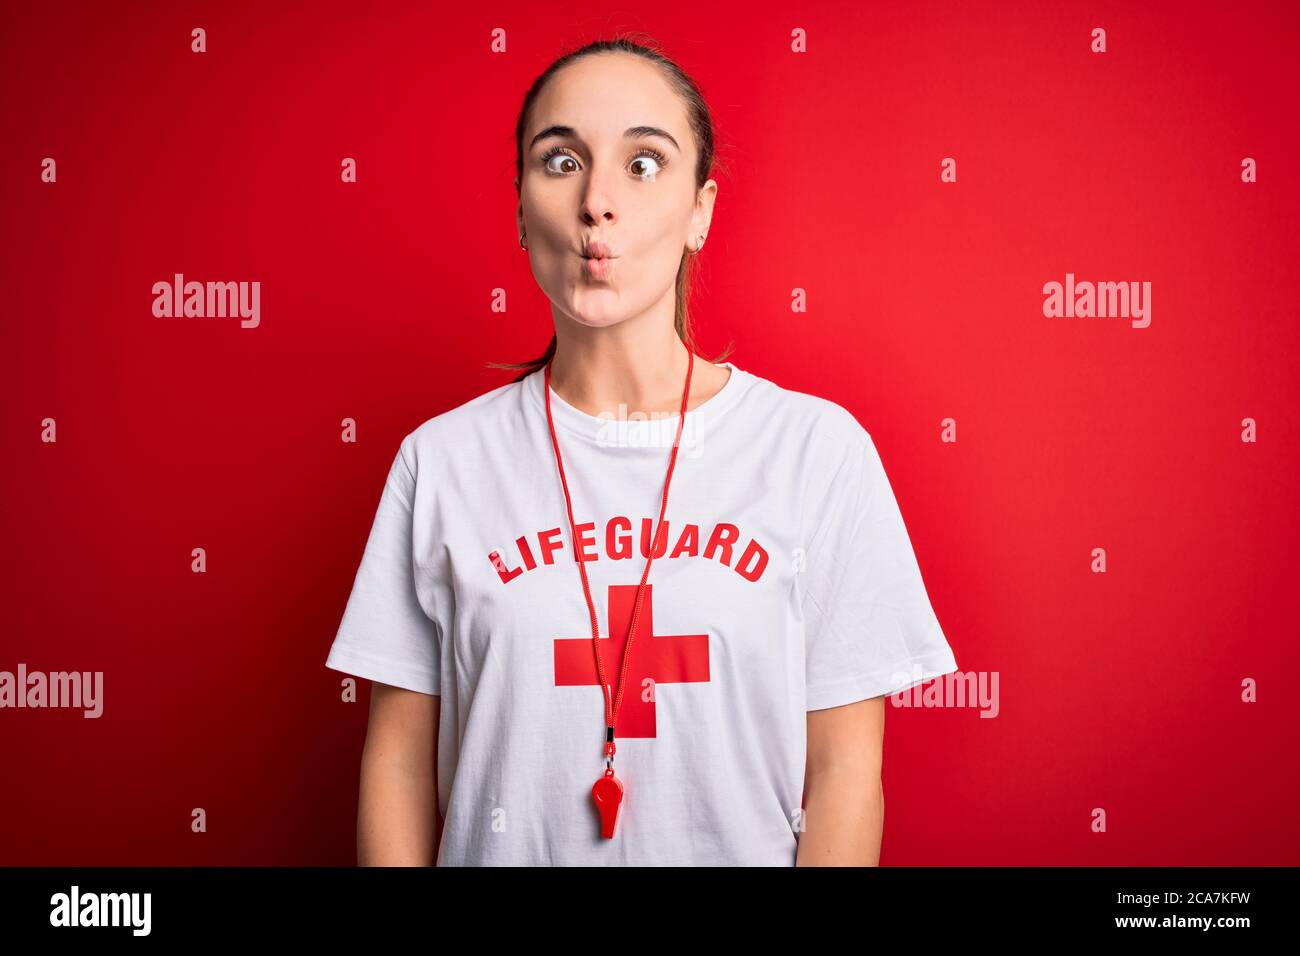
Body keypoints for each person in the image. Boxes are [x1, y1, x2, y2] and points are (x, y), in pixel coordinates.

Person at [325, 36, 958, 866]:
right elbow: (401, 764)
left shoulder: (818, 454)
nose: (597, 203)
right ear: (520, 207)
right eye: (560, 161)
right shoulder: (438, 463)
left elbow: (844, 771)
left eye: (644, 163)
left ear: (701, 210)